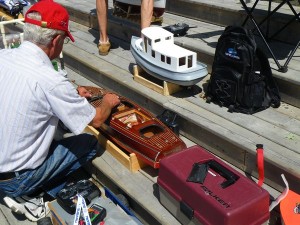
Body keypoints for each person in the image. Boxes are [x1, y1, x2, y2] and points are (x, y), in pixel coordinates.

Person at [0, 0, 120, 222]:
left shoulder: (3, 57)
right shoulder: (51, 81)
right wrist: (108, 102)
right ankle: (29, 194)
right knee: (87, 143)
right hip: (15, 179)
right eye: (64, 40)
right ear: (55, 40)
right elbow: (96, 119)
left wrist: (72, 97)